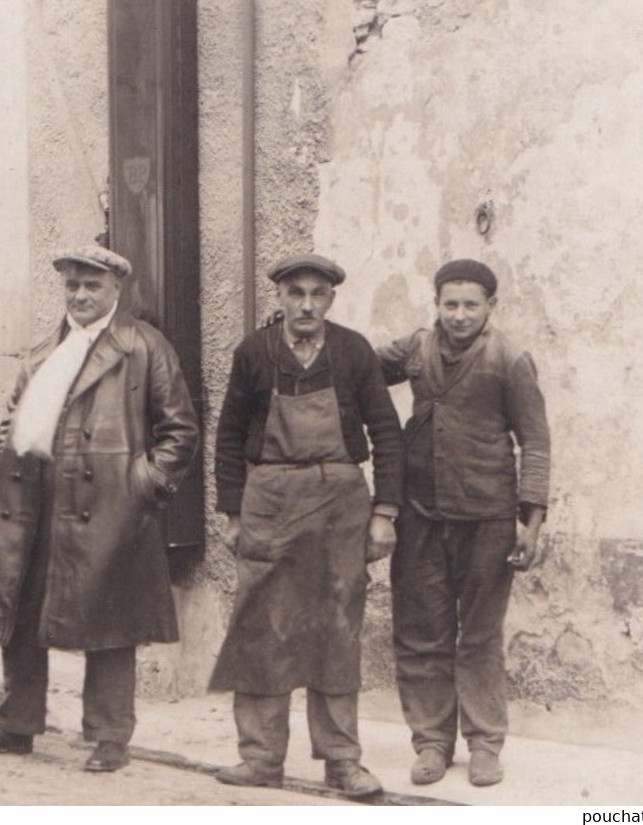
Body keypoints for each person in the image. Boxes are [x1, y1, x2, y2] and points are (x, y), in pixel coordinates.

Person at [0, 245, 199, 774]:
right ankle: (17, 722)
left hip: (107, 502)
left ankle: (111, 735)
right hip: (33, 498)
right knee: (18, 608)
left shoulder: (143, 347)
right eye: (73, 286)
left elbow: (181, 430)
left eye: (92, 286)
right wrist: (6, 447)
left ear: (116, 289)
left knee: (109, 617)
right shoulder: (45, 351)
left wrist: (144, 484)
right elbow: (16, 416)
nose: (81, 296)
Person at [209, 253, 403, 798]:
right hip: (270, 499)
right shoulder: (254, 353)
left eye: (318, 294)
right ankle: (262, 757)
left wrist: (384, 513)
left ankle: (342, 760)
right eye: (296, 293)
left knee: (337, 628)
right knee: (261, 626)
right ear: (279, 297)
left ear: (332, 301)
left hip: (341, 501)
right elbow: (226, 440)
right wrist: (232, 514)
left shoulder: (353, 351)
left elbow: (388, 434)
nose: (307, 305)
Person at [376, 259, 550, 788]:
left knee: (478, 635)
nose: (458, 315)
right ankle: (430, 741)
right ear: (436, 305)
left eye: (470, 305)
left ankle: (484, 744)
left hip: (488, 516)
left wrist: (532, 522)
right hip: (420, 514)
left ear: (490, 307)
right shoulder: (416, 349)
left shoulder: (509, 359)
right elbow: (355, 367)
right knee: (420, 633)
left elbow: (536, 442)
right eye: (449, 304)